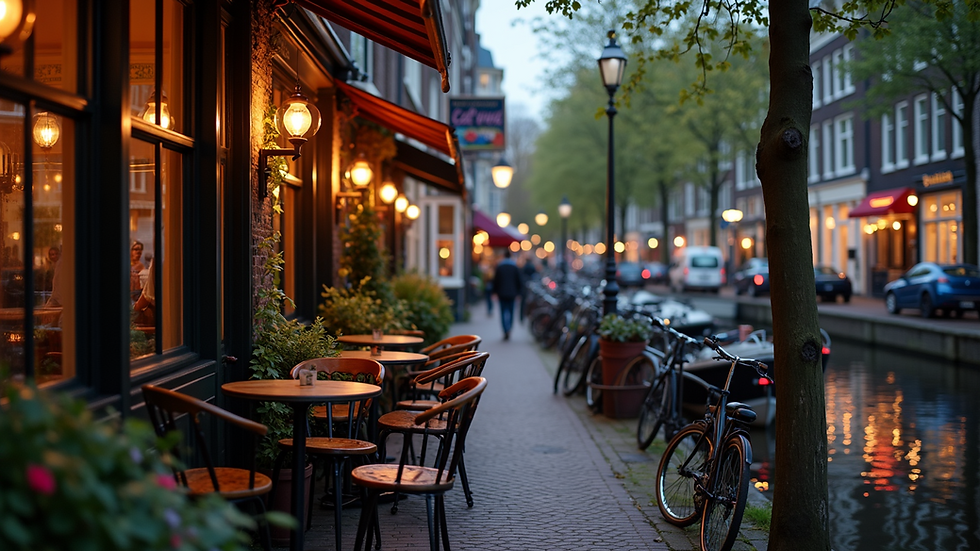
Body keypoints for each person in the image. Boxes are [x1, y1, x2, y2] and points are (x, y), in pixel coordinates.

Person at [492, 250, 522, 340]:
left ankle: (505, 329)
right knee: (511, 312)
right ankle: (509, 328)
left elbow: (496, 281)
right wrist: (519, 293)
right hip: (512, 293)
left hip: (501, 293)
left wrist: (494, 292)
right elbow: (519, 281)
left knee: (503, 312)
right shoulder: (515, 267)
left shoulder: (500, 267)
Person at [519, 255, 537, 323]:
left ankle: (521, 317)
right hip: (530, 286)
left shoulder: (524, 267)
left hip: (524, 287)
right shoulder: (532, 267)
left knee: (523, 302)